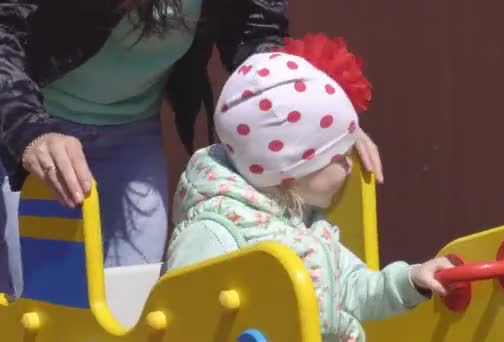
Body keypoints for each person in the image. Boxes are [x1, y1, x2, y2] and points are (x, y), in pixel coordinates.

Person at [0, 0, 383, 300]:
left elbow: (256, 35)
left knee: (135, 294)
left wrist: (321, 123)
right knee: (25, 297)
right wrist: (28, 130)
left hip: (130, 130)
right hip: (27, 130)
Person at [165, 33, 453, 342]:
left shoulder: (307, 227)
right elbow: (185, 318)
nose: (349, 165)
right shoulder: (214, 235)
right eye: (339, 157)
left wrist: (412, 280)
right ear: (290, 171)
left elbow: (355, 287)